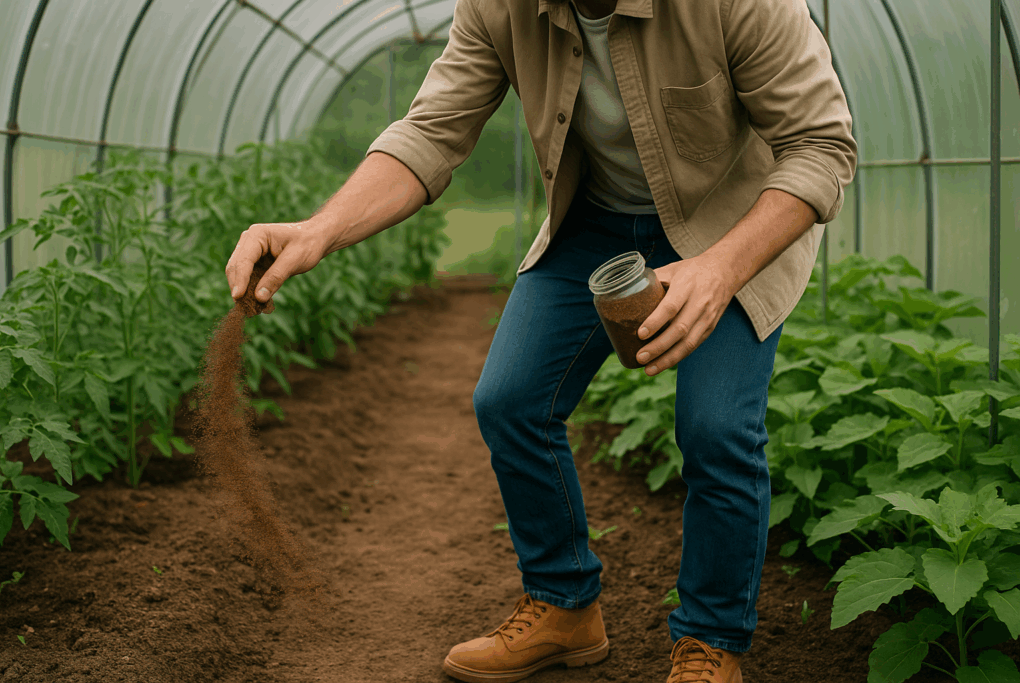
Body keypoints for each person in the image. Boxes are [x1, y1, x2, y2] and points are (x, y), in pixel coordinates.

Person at [226, 0, 856, 679]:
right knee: (511, 399)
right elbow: (433, 132)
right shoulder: (500, 6)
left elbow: (821, 143)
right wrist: (319, 229)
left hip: (730, 228)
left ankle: (711, 640)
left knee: (716, 428)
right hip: (596, 221)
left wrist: (722, 269)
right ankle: (565, 604)